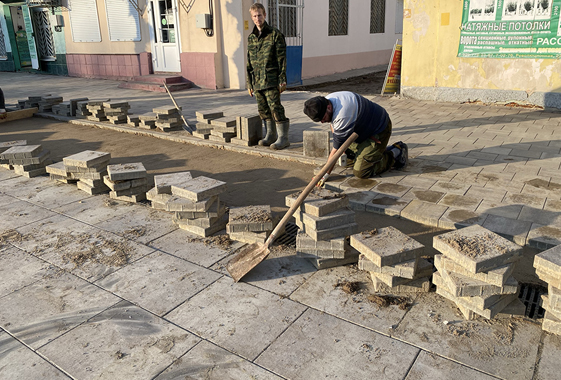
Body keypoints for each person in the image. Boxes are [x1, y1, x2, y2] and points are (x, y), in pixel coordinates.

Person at [303, 91, 407, 186]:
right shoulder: (328, 100)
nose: (322, 122)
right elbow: (333, 125)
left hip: (378, 130)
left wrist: (324, 174)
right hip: (361, 131)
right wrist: (340, 145)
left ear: (328, 108)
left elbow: (335, 151)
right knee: (345, 161)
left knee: (361, 171)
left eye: (323, 118)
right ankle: (373, 155)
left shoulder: (342, 114)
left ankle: (395, 153)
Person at [246, 2, 290, 150]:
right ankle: (270, 134)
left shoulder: (275, 35)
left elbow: (281, 60)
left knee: (275, 108)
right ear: (252, 18)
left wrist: (282, 79)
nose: (257, 18)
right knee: (263, 109)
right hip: (257, 82)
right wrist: (249, 83)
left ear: (264, 15)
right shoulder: (251, 38)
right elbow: (249, 63)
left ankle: (283, 138)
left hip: (271, 80)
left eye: (259, 15)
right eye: (254, 16)